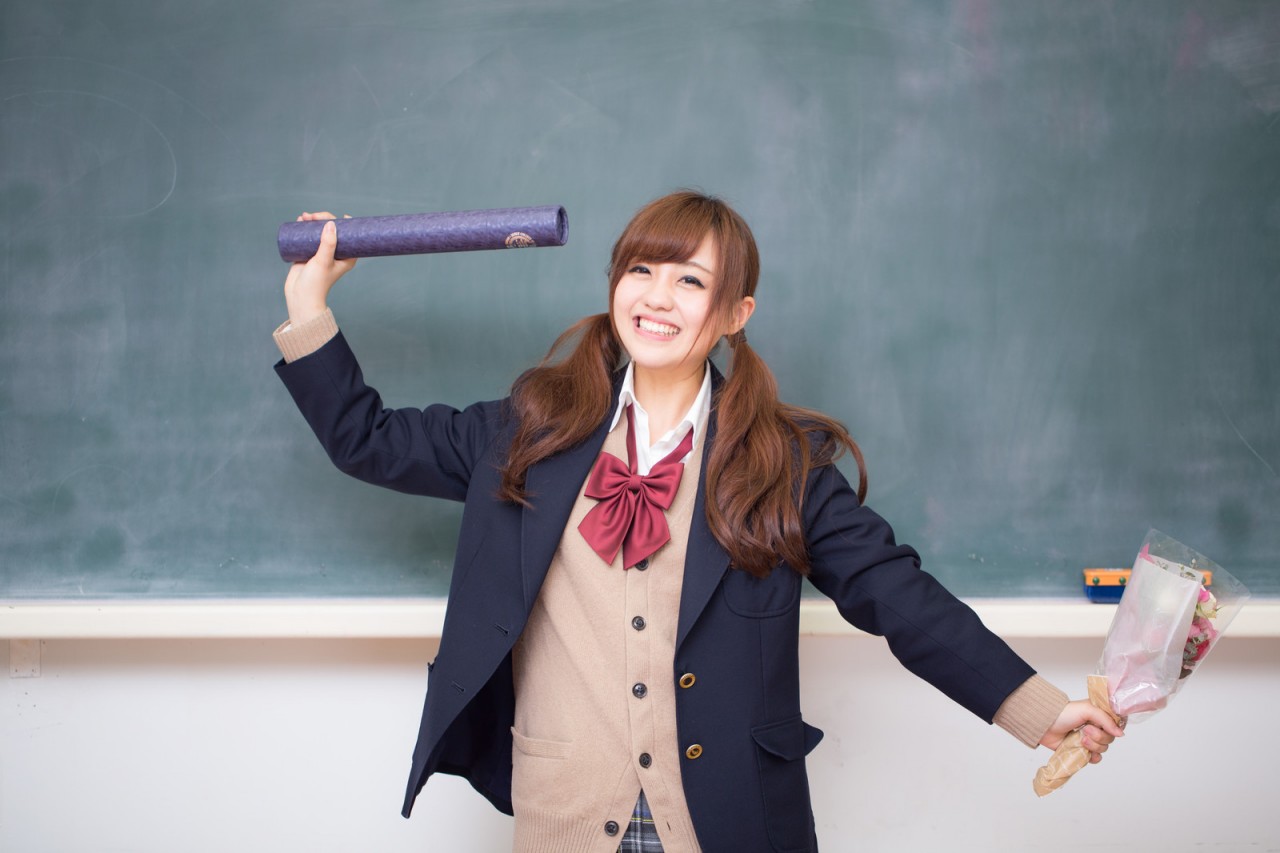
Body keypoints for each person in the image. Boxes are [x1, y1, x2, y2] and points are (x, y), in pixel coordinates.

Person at [273, 191, 1123, 852]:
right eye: (641, 271)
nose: (657, 297)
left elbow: (894, 592)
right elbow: (368, 441)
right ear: (614, 288)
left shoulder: (780, 461)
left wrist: (1038, 709)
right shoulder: (527, 428)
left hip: (730, 818)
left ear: (732, 315)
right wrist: (308, 302)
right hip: (565, 810)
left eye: (690, 280)